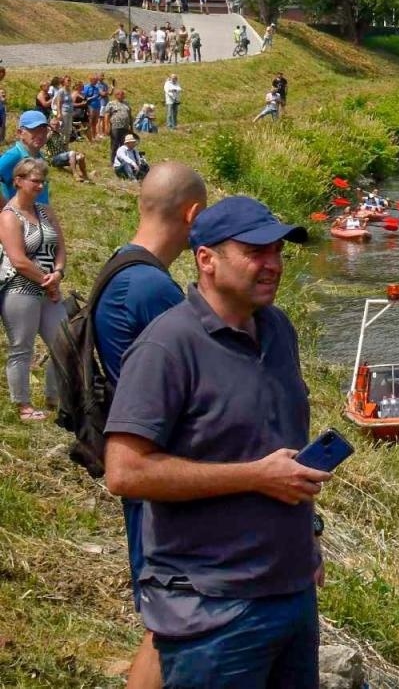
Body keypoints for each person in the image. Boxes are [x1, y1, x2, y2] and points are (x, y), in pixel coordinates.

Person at [104, 196, 323, 688]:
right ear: (206, 260)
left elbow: (277, 445)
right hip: (213, 609)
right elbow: (125, 472)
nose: (272, 264)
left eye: (278, 252)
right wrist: (255, 477)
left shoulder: (278, 330)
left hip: (290, 593)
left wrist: (308, 538)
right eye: (255, 251)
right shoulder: (167, 346)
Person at [92, 162, 208, 689]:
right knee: (170, 609)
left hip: (141, 447)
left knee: (163, 610)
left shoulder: (122, 265)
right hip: (160, 463)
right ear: (194, 215)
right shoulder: (152, 291)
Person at [1, 157, 66, 422]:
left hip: (49, 289)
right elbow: (18, 260)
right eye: (34, 180)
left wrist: (58, 273)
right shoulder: (8, 216)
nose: (39, 186)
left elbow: (61, 248)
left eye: (43, 181)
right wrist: (47, 281)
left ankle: (55, 396)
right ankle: (23, 406)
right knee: (21, 348)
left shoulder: (46, 211)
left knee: (64, 343)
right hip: (20, 290)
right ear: (18, 181)